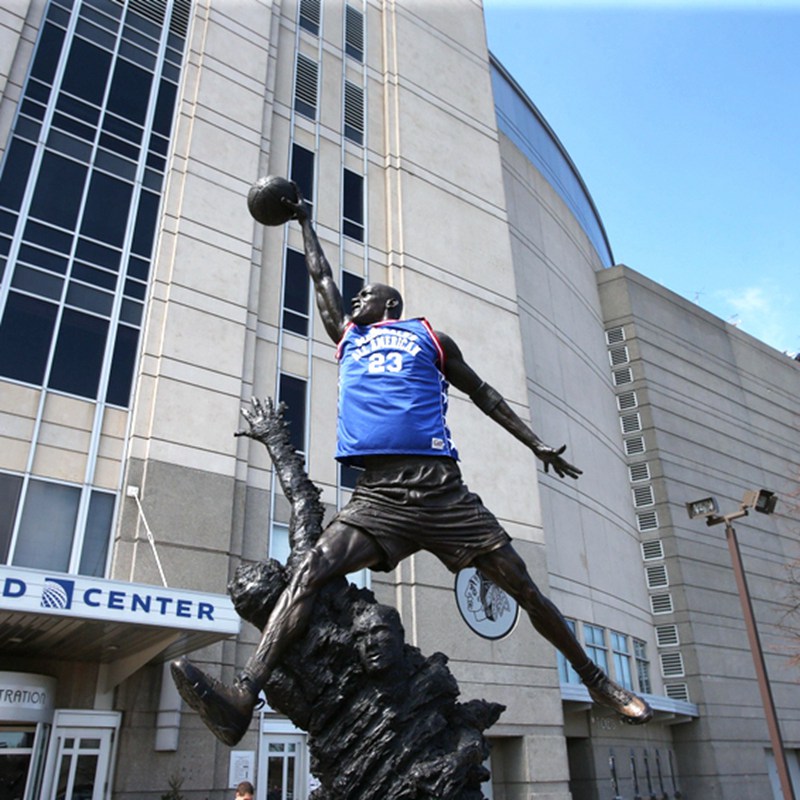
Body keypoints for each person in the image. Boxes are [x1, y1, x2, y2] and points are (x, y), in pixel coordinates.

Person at [172, 189, 653, 746]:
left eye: (366, 297)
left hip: (442, 492)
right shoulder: (349, 338)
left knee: (524, 587)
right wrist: (304, 220)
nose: (354, 303)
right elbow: (321, 277)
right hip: (378, 495)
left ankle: (599, 683)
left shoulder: (429, 336)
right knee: (307, 569)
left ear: (390, 306)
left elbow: (486, 394)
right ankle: (242, 697)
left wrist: (537, 445)